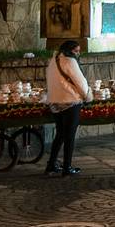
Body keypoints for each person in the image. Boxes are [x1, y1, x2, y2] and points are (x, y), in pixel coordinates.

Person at [45, 38, 90, 177]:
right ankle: (67, 167)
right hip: (70, 102)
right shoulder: (70, 61)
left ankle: (51, 165)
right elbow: (80, 82)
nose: (78, 54)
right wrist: (88, 96)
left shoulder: (53, 61)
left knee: (60, 135)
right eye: (76, 51)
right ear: (69, 51)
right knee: (70, 136)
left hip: (55, 102)